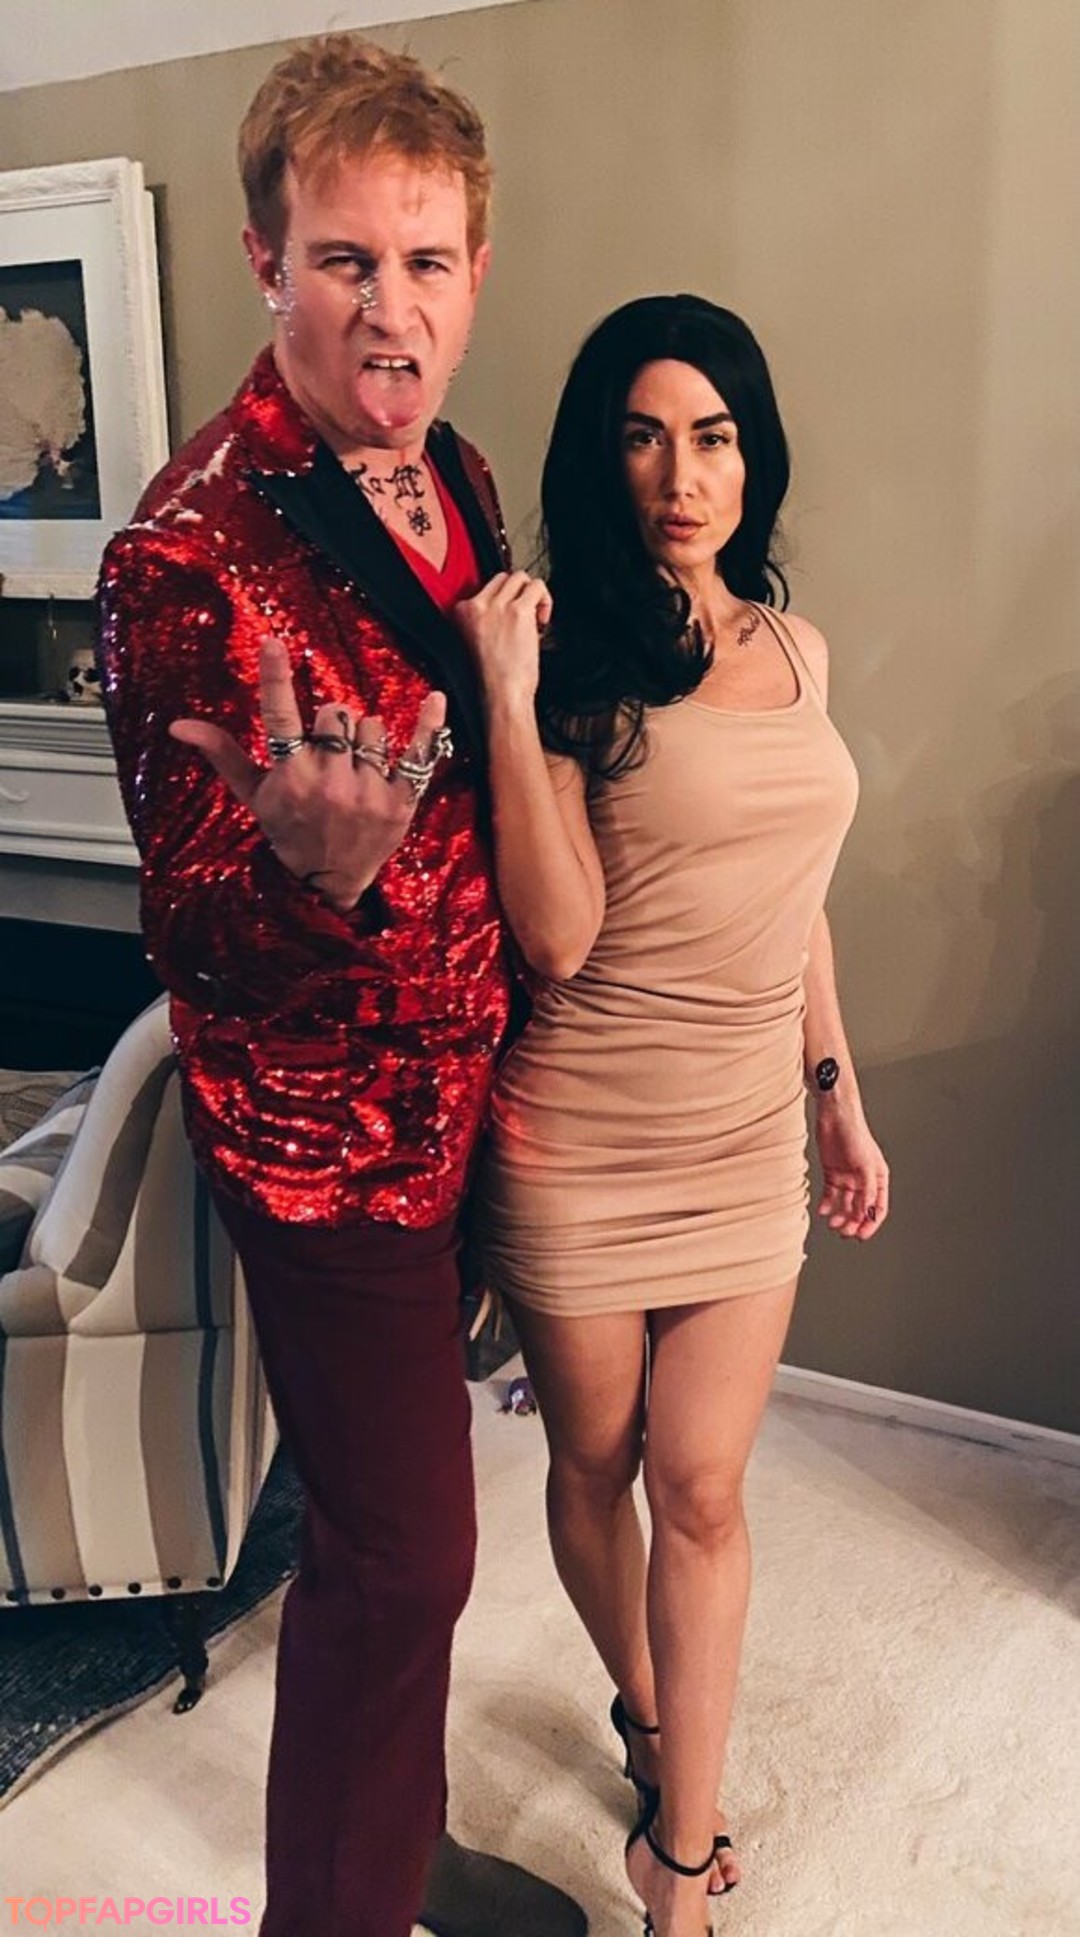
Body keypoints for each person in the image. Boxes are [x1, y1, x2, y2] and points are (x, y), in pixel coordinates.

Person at [96, 34, 586, 1937]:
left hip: (468, 1090)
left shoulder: (450, 468)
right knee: (402, 1553)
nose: (393, 308)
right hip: (326, 1142)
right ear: (266, 263)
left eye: (427, 260)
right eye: (345, 260)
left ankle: (401, 1839)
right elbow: (190, 936)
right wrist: (309, 879)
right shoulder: (182, 550)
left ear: (475, 271)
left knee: (402, 1545)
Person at [454, 294, 890, 1937]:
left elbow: (797, 900)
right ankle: (643, 1712)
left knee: (701, 1484)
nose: (681, 474)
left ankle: (678, 1863)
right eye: (642, 437)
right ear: (604, 458)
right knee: (598, 1458)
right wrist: (508, 702)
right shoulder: (571, 658)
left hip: (744, 1142)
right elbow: (559, 937)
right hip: (581, 1141)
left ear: (751, 455)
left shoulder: (797, 649)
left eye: (711, 436)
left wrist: (835, 1092)